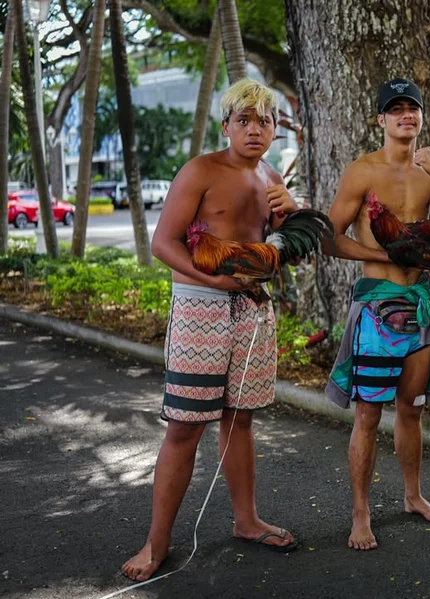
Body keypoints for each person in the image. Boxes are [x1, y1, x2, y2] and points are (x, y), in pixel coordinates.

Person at [122, 79, 301, 582]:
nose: (254, 129)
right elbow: (163, 243)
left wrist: (290, 215)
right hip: (199, 309)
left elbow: (279, 249)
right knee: (184, 425)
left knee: (239, 419)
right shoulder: (199, 170)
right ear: (226, 126)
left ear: (274, 129)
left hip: (253, 309)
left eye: (264, 120)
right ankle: (156, 542)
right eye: (244, 120)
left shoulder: (271, 178)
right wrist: (215, 281)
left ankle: (246, 521)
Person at [324, 78, 430, 551]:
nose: (406, 114)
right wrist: (384, 255)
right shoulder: (363, 170)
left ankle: (412, 496)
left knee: (412, 409)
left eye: (413, 108)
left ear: (422, 116)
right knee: (368, 414)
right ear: (381, 119)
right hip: (377, 307)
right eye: (396, 108)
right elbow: (329, 237)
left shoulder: (429, 171)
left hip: (419, 305)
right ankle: (360, 512)